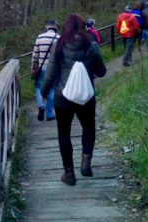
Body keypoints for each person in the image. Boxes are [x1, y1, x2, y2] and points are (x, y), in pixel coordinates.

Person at [41, 14, 106, 186]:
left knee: (64, 133)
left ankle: (69, 174)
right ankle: (86, 162)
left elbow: (51, 73)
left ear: (66, 28)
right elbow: (101, 72)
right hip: (86, 96)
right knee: (88, 127)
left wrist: (44, 92)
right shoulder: (92, 46)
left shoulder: (59, 46)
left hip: (63, 97)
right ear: (84, 27)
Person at [31, 19, 60, 121]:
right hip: (54, 68)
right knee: (52, 89)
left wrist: (33, 67)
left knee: (39, 87)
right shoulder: (58, 38)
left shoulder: (40, 37)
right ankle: (49, 114)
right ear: (55, 27)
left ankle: (41, 104)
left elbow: (35, 55)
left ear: (46, 26)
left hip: (41, 68)